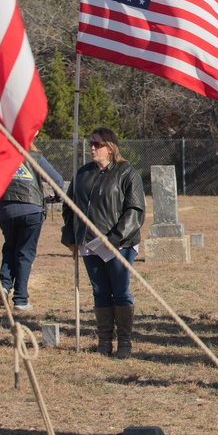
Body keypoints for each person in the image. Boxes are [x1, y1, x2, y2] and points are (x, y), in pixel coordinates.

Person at [62, 127, 145, 359]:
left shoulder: (127, 173)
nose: (92, 148)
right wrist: (70, 237)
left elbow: (135, 210)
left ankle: (125, 342)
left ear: (110, 147)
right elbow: (69, 207)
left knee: (120, 292)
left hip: (120, 245)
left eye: (97, 144)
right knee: (100, 292)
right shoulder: (82, 174)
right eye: (91, 143)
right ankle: (104, 341)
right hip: (89, 243)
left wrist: (114, 239)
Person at [0, 136, 64, 311]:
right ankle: (20, 299)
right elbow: (57, 180)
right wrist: (57, 197)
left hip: (5, 209)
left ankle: (4, 286)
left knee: (10, 247)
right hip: (31, 210)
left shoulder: (0, 156)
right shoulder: (36, 157)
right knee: (25, 253)